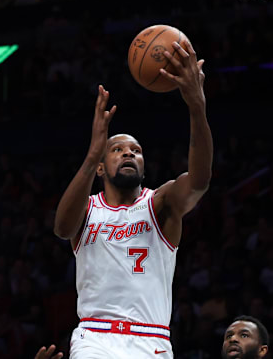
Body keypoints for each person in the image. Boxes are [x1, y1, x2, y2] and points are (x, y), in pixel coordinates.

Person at [54, 40, 212, 358]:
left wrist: (197, 106)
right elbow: (61, 228)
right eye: (117, 149)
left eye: (136, 151)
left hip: (150, 339)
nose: (129, 152)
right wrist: (91, 154)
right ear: (100, 165)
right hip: (94, 338)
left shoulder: (160, 203)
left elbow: (199, 182)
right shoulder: (87, 209)